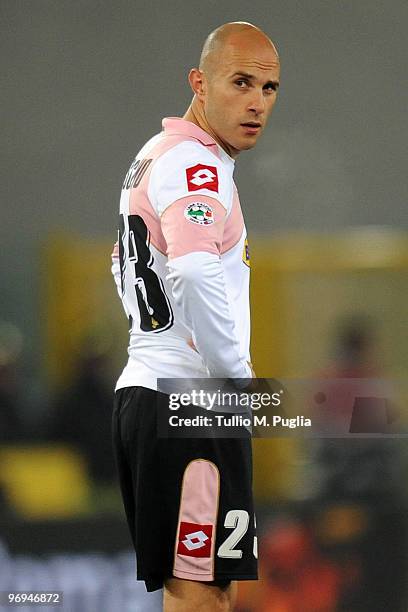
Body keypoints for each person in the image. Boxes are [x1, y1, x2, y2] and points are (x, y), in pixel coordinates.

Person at [111, 21, 280, 612]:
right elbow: (194, 270)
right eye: (241, 82)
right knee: (201, 597)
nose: (257, 102)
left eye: (269, 88)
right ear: (198, 83)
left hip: (153, 391)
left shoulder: (155, 156)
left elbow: (125, 268)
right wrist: (238, 378)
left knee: (203, 594)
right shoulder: (194, 164)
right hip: (189, 402)